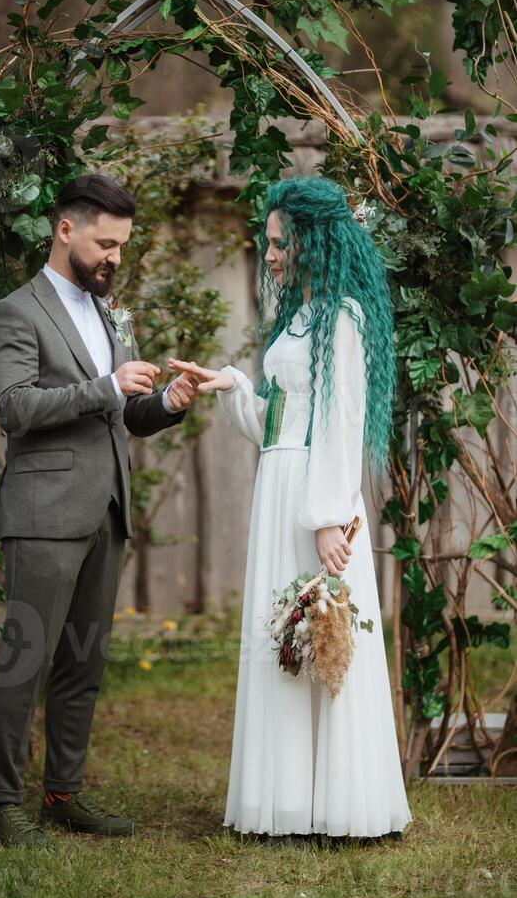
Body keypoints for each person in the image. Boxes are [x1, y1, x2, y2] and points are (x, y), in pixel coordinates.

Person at [169, 175, 412, 839]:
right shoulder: (300, 315)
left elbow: (339, 420)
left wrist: (329, 515)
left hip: (313, 500)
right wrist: (235, 388)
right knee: (284, 641)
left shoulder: (343, 319)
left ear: (313, 239)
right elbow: (279, 427)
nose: (270, 254)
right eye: (269, 242)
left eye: (280, 243)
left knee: (325, 640)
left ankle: (340, 804)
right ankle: (285, 803)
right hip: (280, 490)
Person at [0, 173, 198, 846]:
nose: (114, 258)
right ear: (65, 230)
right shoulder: (15, 312)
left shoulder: (110, 315)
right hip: (42, 512)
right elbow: (13, 407)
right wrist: (104, 384)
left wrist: (164, 404)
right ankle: (1, 805)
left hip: (105, 511)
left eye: (123, 247)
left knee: (83, 661)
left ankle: (63, 793)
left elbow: (122, 414)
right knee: (25, 660)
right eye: (106, 243)